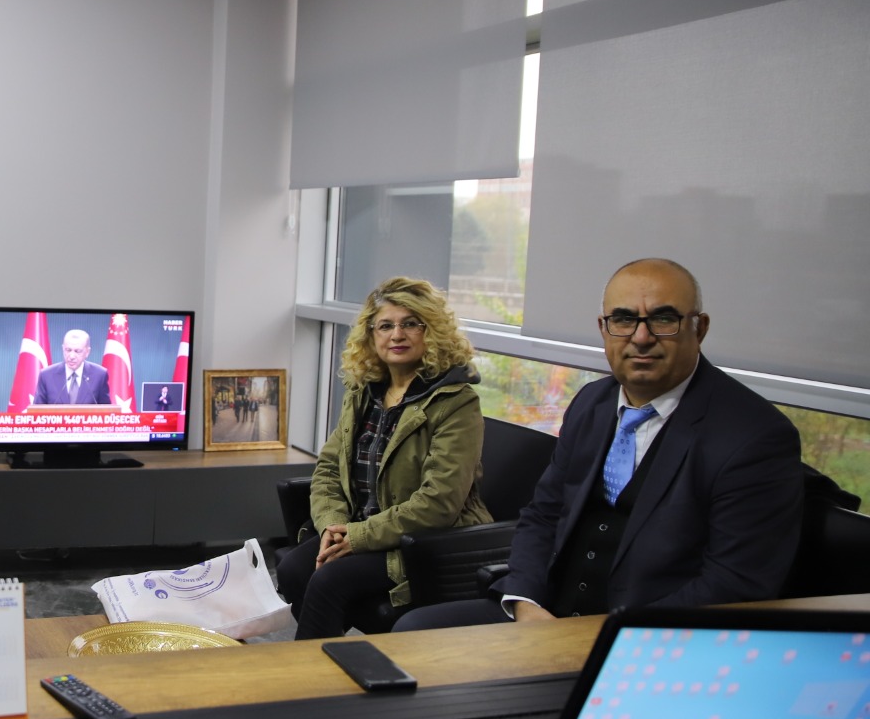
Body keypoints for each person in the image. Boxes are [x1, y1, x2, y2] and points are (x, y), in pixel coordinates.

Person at [394, 258, 805, 631]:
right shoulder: (592, 403)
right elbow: (544, 514)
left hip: (649, 640)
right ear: (604, 329)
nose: (641, 337)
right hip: (547, 615)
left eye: (663, 319)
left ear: (700, 328)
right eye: (623, 319)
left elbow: (735, 583)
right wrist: (525, 602)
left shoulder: (754, 435)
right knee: (414, 632)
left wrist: (606, 637)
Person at [276, 277, 491, 639]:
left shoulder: (456, 402)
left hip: (423, 542)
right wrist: (332, 526)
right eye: (386, 326)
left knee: (327, 580)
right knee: (294, 569)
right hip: (360, 527)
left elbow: (439, 503)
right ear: (371, 335)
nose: (397, 335)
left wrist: (357, 537)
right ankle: (336, 659)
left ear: (431, 330)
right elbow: (329, 469)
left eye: (411, 324)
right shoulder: (364, 392)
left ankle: (310, 671)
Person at [34, 329, 112, 405]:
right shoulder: (46, 375)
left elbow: (106, 410)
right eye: (68, 350)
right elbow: (37, 410)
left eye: (77, 351)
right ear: (63, 349)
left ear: (87, 352)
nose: (71, 356)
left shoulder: (99, 375)